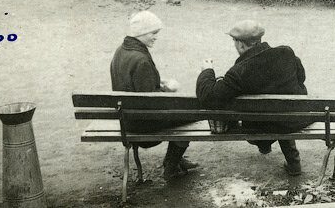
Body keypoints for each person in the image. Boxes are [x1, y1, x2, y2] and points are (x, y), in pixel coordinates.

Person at [197, 20, 307, 177]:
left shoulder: (239, 72)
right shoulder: (287, 52)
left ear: (241, 44)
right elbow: (301, 78)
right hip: (296, 119)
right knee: (281, 110)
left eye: (234, 42)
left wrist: (207, 71)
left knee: (270, 116)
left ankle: (264, 144)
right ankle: (294, 163)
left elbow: (208, 97)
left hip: (261, 128)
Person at [111, 11, 198, 181]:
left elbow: (135, 87)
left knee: (184, 111)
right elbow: (151, 103)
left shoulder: (121, 51)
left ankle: (175, 160)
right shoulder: (141, 59)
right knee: (192, 113)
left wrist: (157, 84)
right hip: (143, 123)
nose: (155, 37)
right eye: (153, 33)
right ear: (141, 33)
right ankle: (171, 165)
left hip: (127, 119)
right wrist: (168, 90)